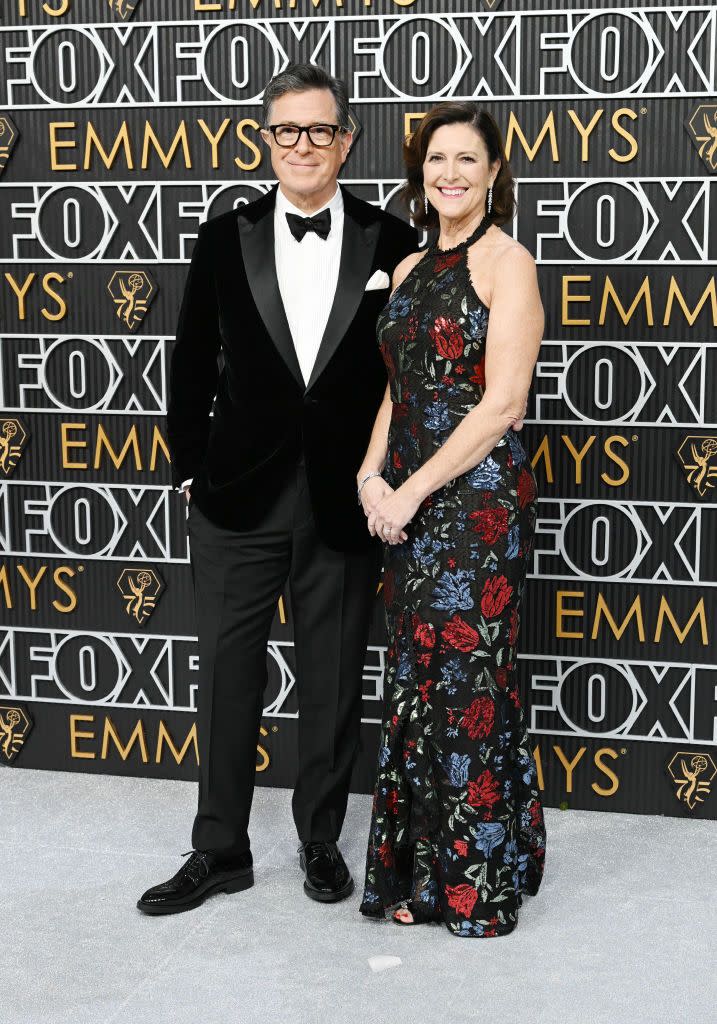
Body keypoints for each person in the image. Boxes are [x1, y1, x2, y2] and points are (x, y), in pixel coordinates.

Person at [137, 63, 417, 915]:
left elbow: (407, 376)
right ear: (265, 140)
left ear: (347, 140)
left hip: (343, 499)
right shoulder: (224, 236)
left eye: (319, 130)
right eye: (284, 130)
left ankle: (321, 840)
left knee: (331, 679)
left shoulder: (393, 240)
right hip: (236, 497)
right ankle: (218, 847)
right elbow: (189, 364)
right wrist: (189, 469)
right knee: (225, 675)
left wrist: (390, 477)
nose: (302, 145)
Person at [357, 102, 547, 937]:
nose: (451, 173)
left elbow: (501, 403)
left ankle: (479, 886)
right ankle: (424, 877)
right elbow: (398, 390)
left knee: (470, 688)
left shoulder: (510, 264)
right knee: (416, 685)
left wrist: (412, 491)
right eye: (438, 158)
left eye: (468, 159)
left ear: (494, 173)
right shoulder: (404, 270)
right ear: (420, 173)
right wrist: (369, 473)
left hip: (473, 506)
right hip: (407, 501)